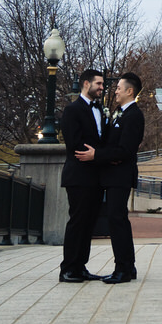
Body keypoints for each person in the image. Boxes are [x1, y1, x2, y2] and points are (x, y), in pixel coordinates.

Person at [58, 68, 109, 282]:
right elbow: (74, 144)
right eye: (98, 84)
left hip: (96, 177)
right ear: (86, 84)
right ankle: (68, 268)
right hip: (79, 175)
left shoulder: (101, 109)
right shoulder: (72, 110)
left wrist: (100, 156)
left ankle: (81, 266)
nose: (102, 87)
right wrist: (97, 156)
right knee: (78, 221)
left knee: (89, 223)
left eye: (102, 84)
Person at [95, 70, 144, 283]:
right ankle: (128, 267)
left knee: (117, 220)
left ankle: (122, 269)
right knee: (118, 220)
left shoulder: (134, 115)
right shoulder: (120, 113)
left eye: (118, 88)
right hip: (113, 174)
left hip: (120, 176)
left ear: (129, 91)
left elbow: (125, 150)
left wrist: (99, 155)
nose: (115, 91)